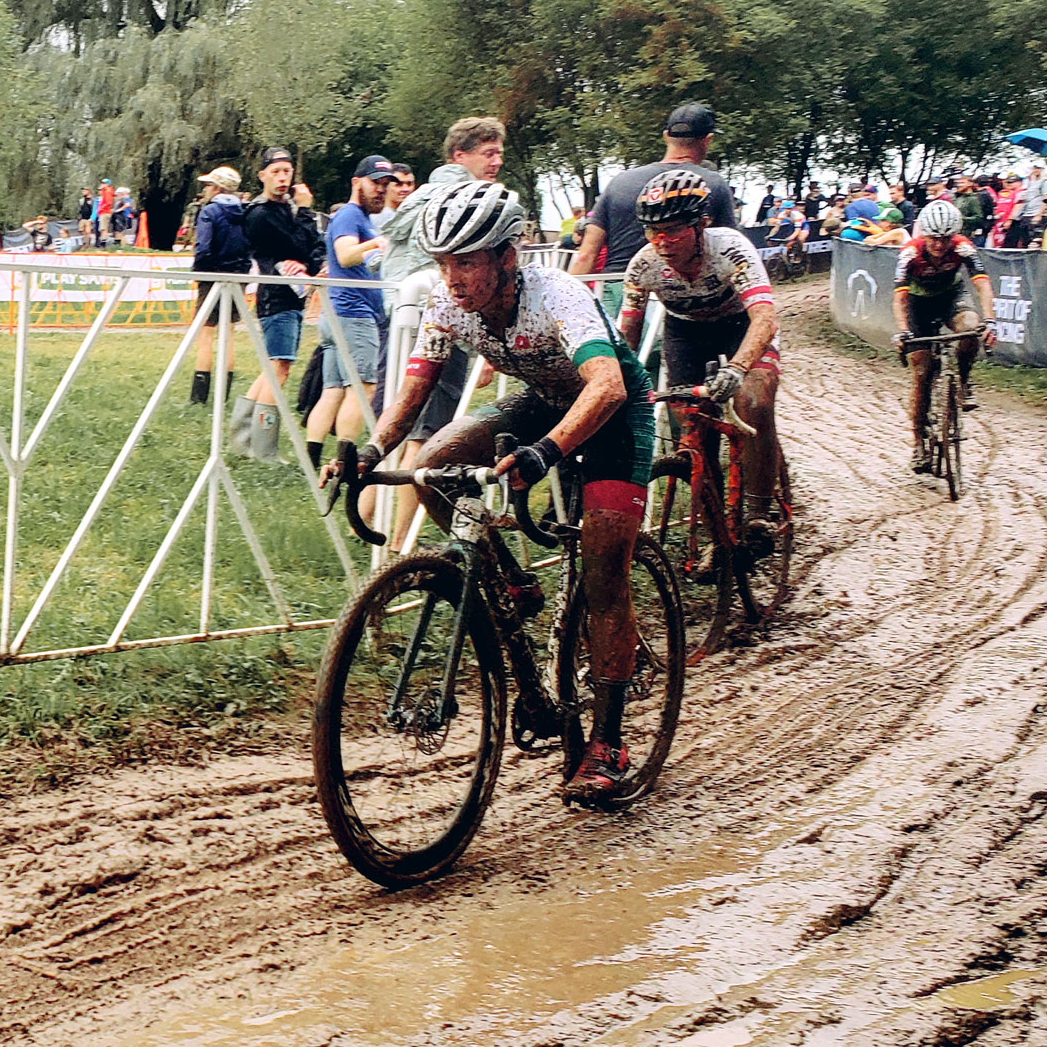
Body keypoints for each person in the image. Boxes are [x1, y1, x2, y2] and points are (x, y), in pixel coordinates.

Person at [326, 180, 655, 807]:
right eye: (443, 262)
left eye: (467, 261)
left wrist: (547, 452)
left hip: (613, 412)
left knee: (604, 568)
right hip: (543, 400)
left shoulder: (558, 295)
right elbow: (413, 396)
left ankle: (609, 744)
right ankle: (512, 584)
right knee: (435, 464)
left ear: (507, 258)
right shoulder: (447, 305)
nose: (452, 277)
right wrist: (371, 454)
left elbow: (608, 385)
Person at [618, 169, 781, 548]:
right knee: (691, 429)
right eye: (651, 231)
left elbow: (765, 318)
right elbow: (627, 336)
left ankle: (758, 516)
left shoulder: (730, 249)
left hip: (741, 324)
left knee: (753, 400)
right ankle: (715, 535)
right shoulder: (643, 267)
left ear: (701, 225)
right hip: (686, 333)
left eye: (673, 230)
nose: (662, 242)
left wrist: (739, 368)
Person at [375, 117, 507, 548]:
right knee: (426, 436)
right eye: (488, 153)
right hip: (438, 319)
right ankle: (399, 543)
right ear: (459, 155)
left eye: (499, 152)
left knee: (394, 425)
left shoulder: (418, 197)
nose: (496, 161)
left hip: (398, 317)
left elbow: (388, 241)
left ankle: (373, 529)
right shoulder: (468, 198)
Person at [569, 102, 738, 317]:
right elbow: (731, 252)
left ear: (666, 136)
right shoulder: (712, 184)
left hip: (617, 293)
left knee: (618, 350)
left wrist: (567, 310)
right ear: (707, 140)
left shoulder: (620, 182)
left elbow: (585, 256)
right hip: (679, 298)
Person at [892, 200, 997, 471]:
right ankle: (918, 442)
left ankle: (963, 381)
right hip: (918, 304)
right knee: (922, 371)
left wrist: (991, 322)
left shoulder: (963, 248)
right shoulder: (909, 254)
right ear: (924, 235)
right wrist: (903, 331)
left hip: (952, 297)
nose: (939, 245)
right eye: (934, 238)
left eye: (945, 239)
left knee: (971, 327)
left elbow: (983, 286)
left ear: (954, 236)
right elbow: (900, 299)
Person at [237, 146, 328, 461]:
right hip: (275, 298)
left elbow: (314, 247)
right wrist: (305, 212)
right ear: (262, 175)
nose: (282, 177)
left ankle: (242, 438)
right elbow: (298, 244)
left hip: (293, 297)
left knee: (275, 366)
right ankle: (262, 447)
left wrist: (303, 223)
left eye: (286, 171)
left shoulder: (286, 210)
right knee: (280, 368)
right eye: (275, 172)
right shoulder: (260, 214)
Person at [305, 155, 395, 469]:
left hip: (335, 314)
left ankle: (311, 461)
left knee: (332, 391)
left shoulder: (358, 218)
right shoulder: (349, 216)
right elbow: (344, 257)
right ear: (356, 182)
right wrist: (377, 245)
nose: (381, 190)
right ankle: (344, 463)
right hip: (353, 315)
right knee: (362, 387)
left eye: (385, 185)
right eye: (375, 183)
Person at [188, 166, 252, 423]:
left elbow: (203, 247)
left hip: (211, 276)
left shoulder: (209, 211)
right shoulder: (245, 213)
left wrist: (199, 270)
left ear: (216, 188)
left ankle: (199, 395)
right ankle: (223, 394)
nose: (205, 189)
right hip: (238, 277)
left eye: (208, 185)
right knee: (228, 334)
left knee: (206, 335)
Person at [990, 174, 1021, 247]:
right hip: (1000, 222)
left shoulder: (1020, 193)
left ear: (1019, 182)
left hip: (1014, 222)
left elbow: (1017, 207)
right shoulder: (1001, 193)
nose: (1009, 184)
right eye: (1008, 182)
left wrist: (1009, 220)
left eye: (1012, 182)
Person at [96, 178, 116, 245]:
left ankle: (103, 245)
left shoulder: (108, 191)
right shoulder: (105, 191)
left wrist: (101, 208)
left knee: (103, 228)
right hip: (104, 211)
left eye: (104, 183)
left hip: (105, 211)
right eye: (102, 183)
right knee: (102, 228)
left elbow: (108, 202)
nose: (102, 184)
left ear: (108, 184)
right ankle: (103, 243)